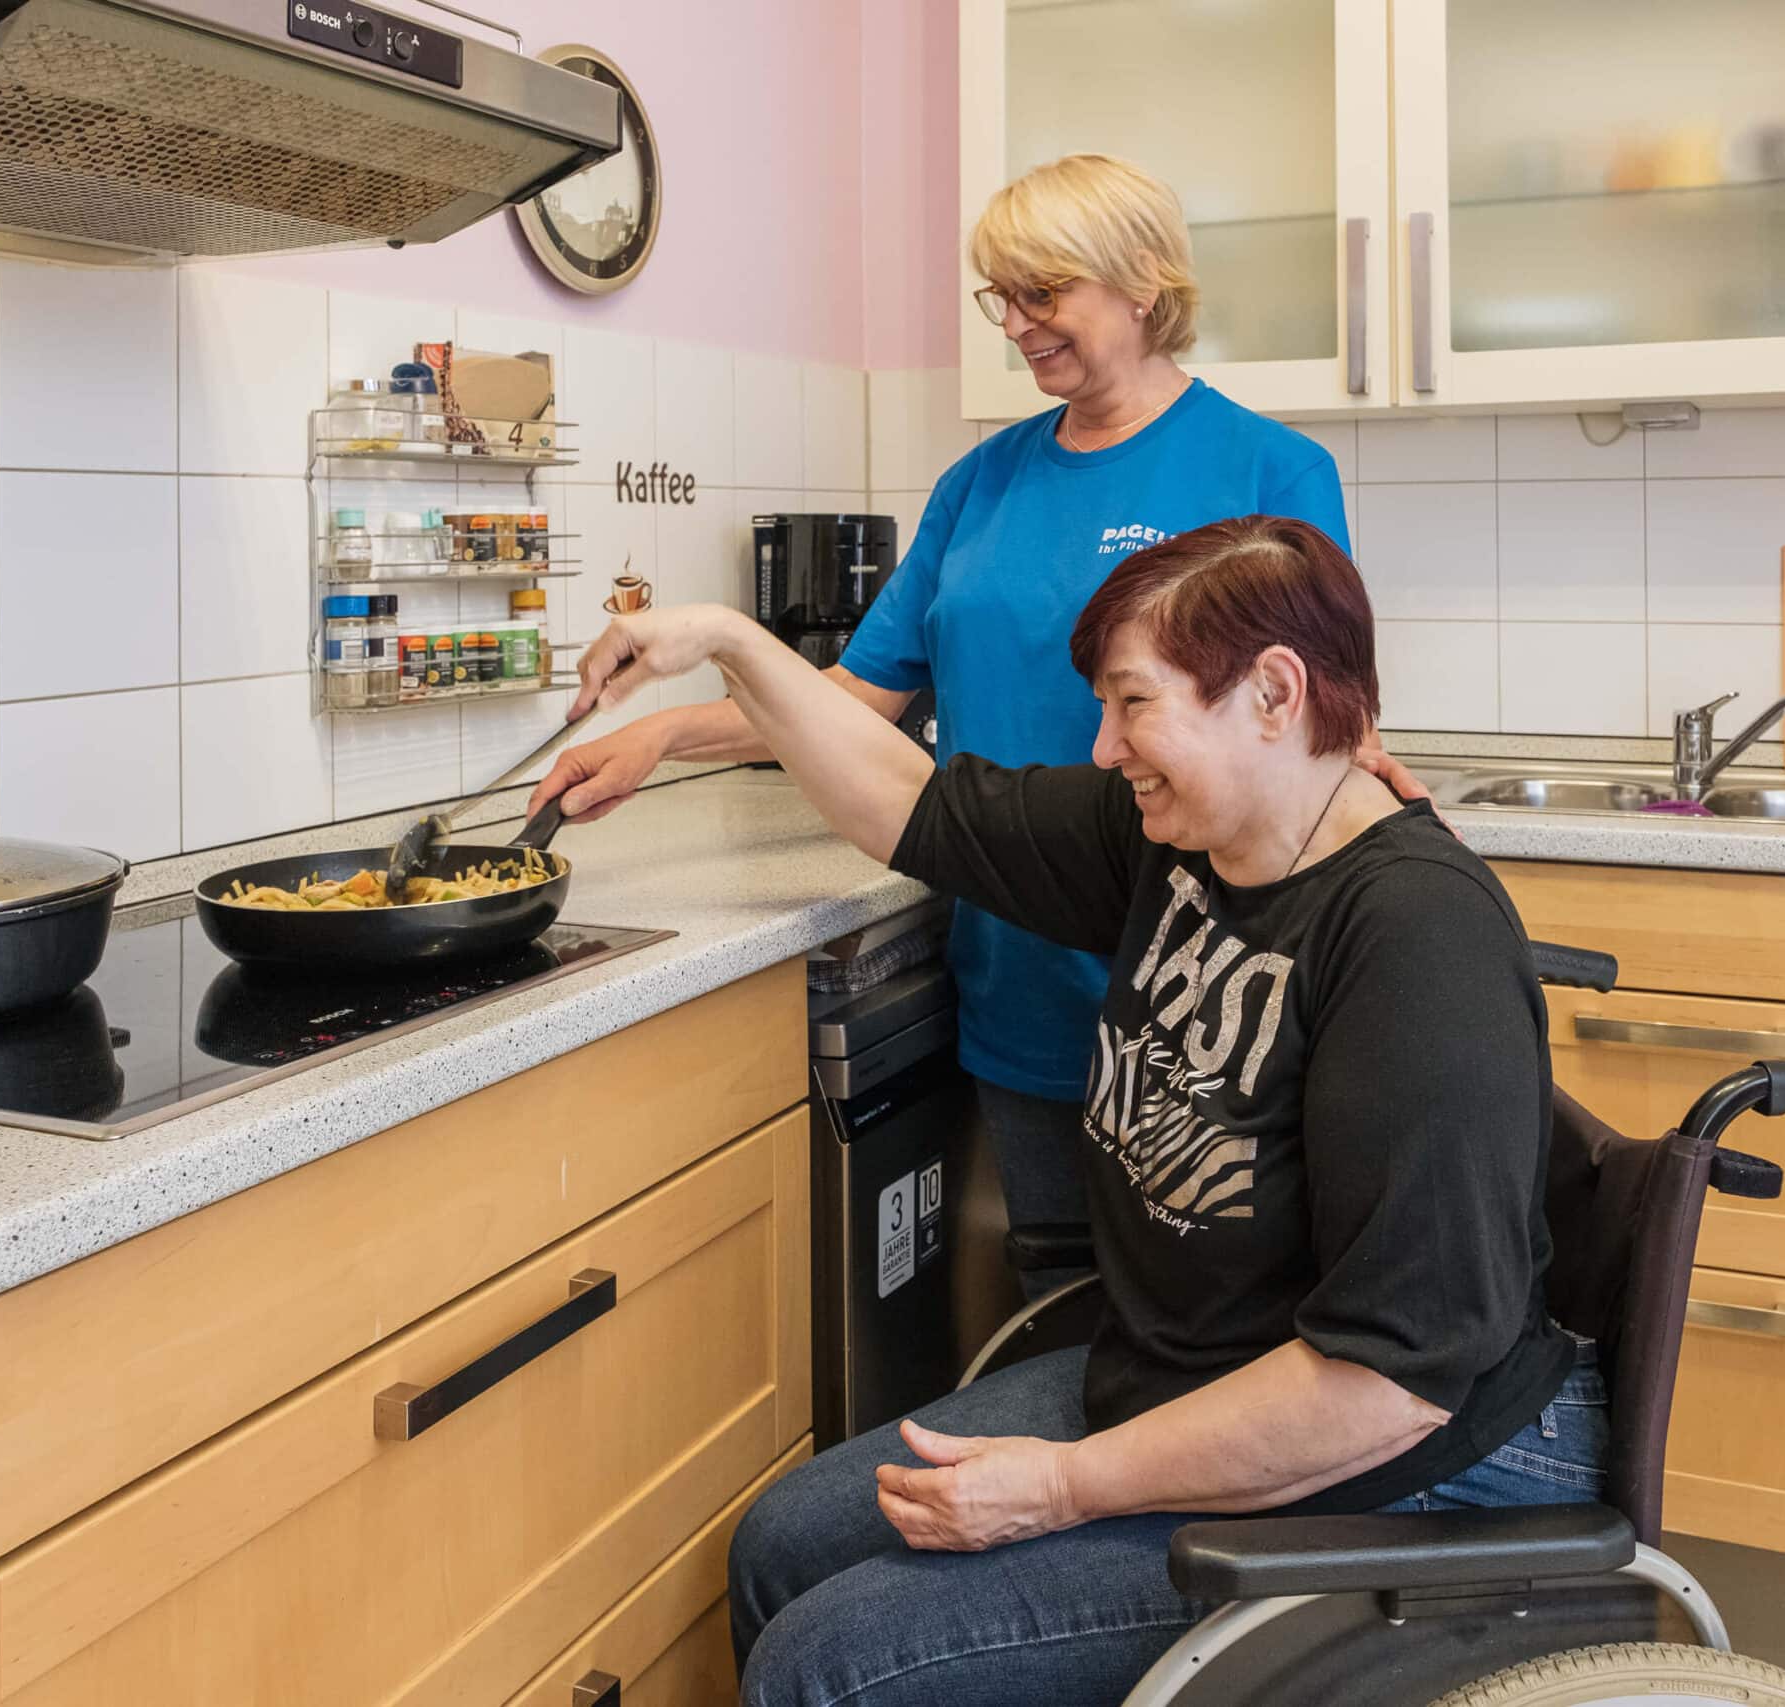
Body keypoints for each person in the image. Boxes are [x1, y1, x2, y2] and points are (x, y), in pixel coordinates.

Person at [561, 517, 1602, 1706]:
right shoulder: (1186, 843)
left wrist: (1060, 1488)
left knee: (827, 1664)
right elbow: (912, 804)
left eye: (1133, 704)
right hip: (1190, 1371)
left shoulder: (1414, 938)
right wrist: (727, 640)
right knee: (780, 1546)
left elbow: (1386, 1382)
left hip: (1409, 1466)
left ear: (1273, 694)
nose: (1104, 749)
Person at [533, 153, 1372, 1295]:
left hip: (1200, 985)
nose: (1016, 325)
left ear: (1142, 283)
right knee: (1059, 1293)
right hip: (1017, 964)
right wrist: (664, 735)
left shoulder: (1271, 470)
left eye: (1043, 292)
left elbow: (1322, 728)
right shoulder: (978, 485)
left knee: (1212, 1315)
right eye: (1001, 297)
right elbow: (855, 703)